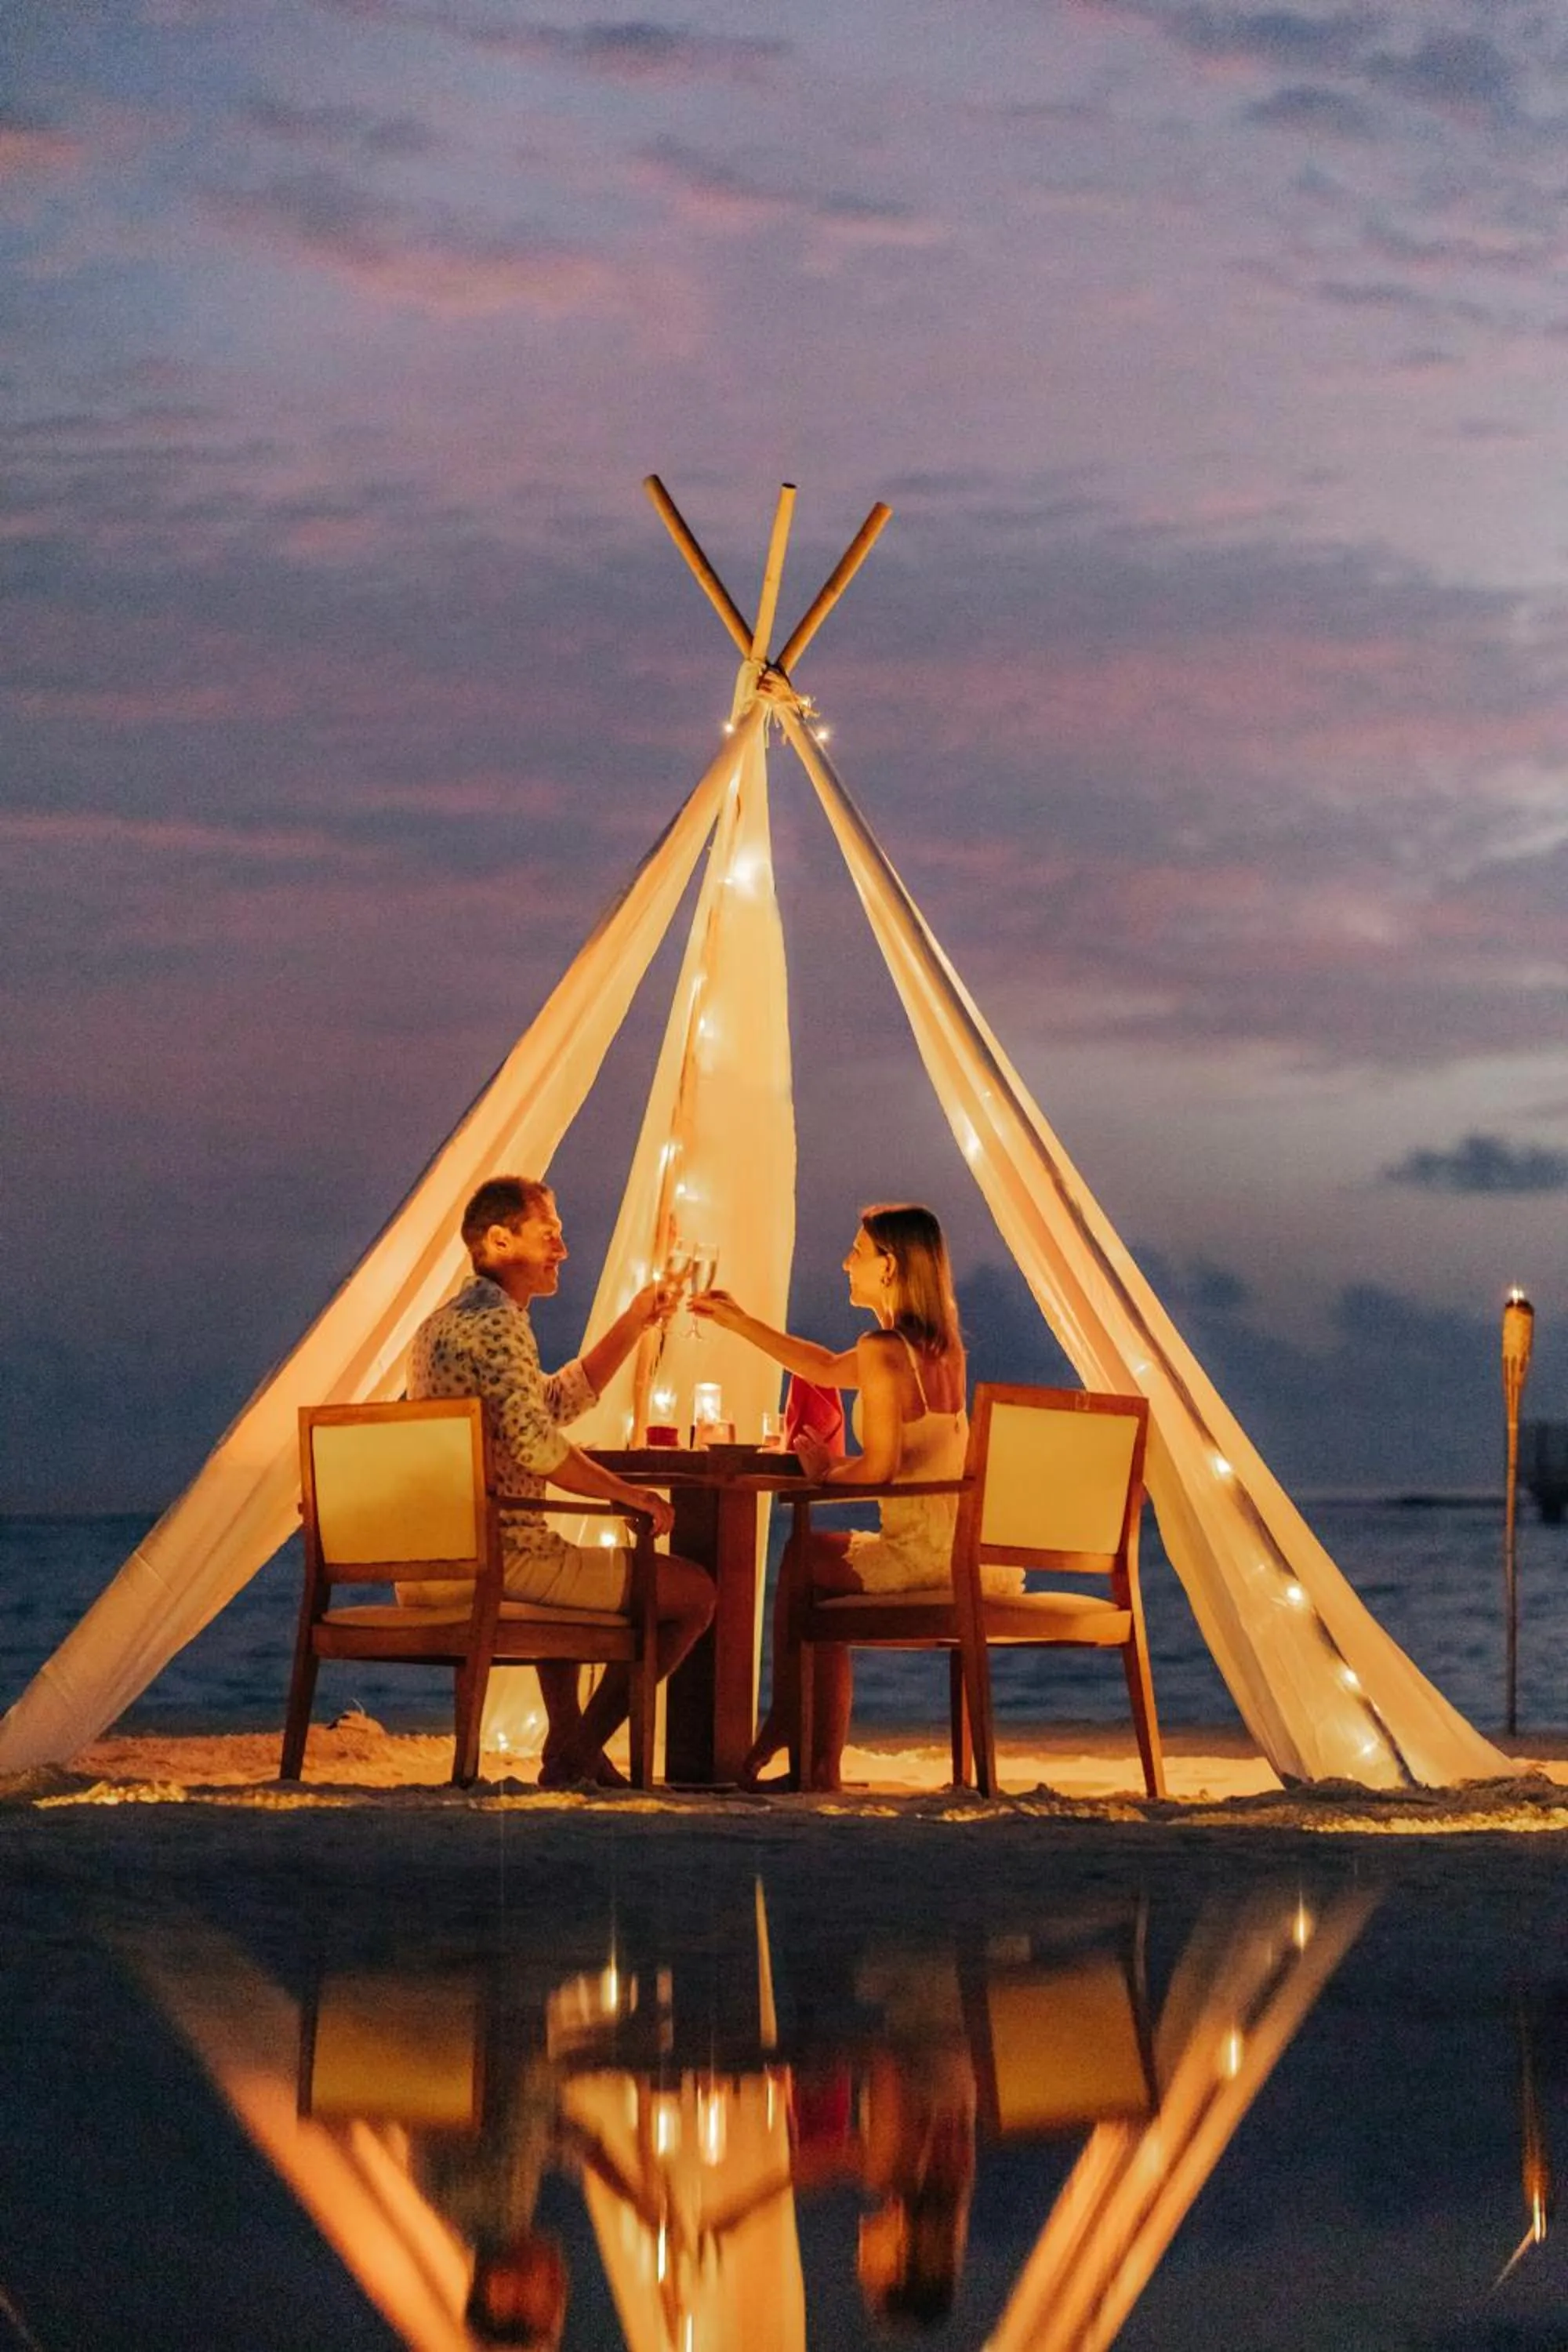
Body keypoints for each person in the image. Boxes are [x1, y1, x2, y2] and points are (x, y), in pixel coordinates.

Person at [693, 1203, 1020, 1790]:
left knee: (802, 1558)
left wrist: (825, 1471)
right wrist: (740, 1323)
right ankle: (812, 1754)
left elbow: (881, 1468)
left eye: (857, 1252)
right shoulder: (939, 1348)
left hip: (922, 1553)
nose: (846, 1264)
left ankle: (790, 1723)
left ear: (888, 1266)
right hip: (963, 1549)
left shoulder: (884, 1348)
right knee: (815, 1572)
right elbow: (823, 1368)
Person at [407, 1174, 714, 1788]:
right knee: (694, 1594)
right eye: (549, 1235)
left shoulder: (438, 1326)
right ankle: (577, 1751)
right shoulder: (497, 1324)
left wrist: (634, 1321)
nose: (563, 1251)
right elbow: (538, 1445)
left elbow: (549, 1406)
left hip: (430, 1564)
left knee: (569, 1566)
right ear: (500, 1240)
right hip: (500, 1560)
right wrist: (630, 1496)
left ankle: (569, 1744)